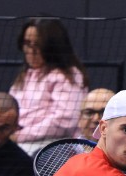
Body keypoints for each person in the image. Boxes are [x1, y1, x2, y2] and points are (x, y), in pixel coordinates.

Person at [9, 18, 88, 155]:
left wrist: (20, 136)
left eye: (38, 45)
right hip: (16, 137)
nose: (31, 51)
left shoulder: (68, 76)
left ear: (52, 47)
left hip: (52, 144)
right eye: (27, 44)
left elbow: (63, 122)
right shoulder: (24, 75)